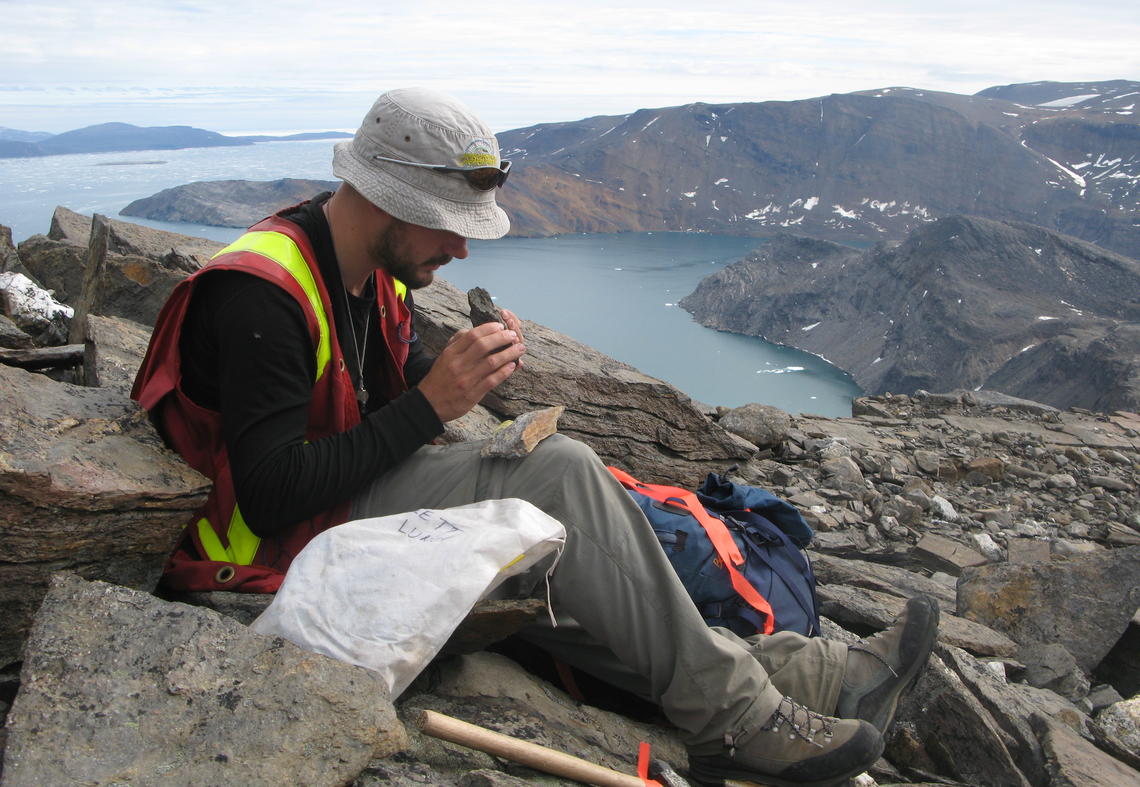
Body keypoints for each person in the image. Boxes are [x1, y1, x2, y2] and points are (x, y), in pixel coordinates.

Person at [132, 87, 939, 787]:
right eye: (448, 225)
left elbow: (373, 372)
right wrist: (433, 406)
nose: (461, 246)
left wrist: (458, 370)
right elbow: (270, 494)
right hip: (268, 544)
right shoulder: (260, 298)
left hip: (334, 503)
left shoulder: (364, 263)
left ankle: (809, 675)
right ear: (385, 198)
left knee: (558, 545)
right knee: (556, 474)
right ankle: (739, 716)